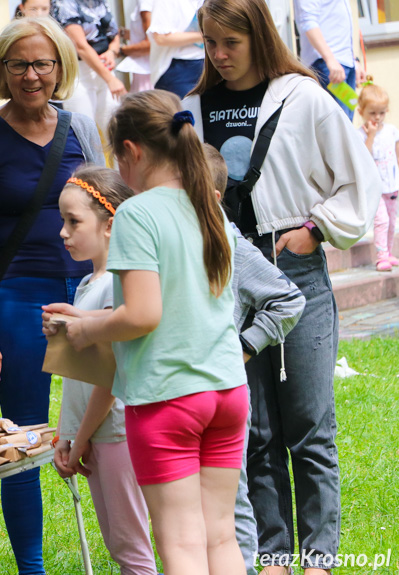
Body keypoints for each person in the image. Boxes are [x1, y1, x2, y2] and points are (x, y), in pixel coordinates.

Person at [183, 0, 380, 571]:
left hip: (292, 269)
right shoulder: (193, 110)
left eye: (230, 43)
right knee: (254, 429)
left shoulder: (306, 98)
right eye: (209, 43)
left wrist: (314, 231)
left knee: (309, 423)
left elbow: (358, 184)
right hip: (222, 282)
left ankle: (318, 558)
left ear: (259, 36)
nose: (218, 55)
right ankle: (272, 556)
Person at [43, 89, 248, 575]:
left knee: (179, 544)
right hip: (227, 392)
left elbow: (141, 315)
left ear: (131, 151)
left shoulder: (136, 213)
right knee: (220, 536)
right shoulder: (210, 208)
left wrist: (87, 329)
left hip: (167, 398)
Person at [0, 16, 104, 574]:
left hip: (89, 293)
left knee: (115, 423)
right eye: (18, 64)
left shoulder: (82, 129)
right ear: (2, 70)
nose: (31, 75)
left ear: (61, 66)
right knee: (21, 445)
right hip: (20, 299)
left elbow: (110, 212)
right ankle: (32, 567)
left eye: (42, 63)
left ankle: (134, 548)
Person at [204, 144, 306, 575]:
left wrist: (243, 346)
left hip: (223, 389)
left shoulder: (232, 246)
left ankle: (242, 565)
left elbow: (287, 299)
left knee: (230, 498)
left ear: (209, 194)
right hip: (181, 393)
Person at [51, 165, 157, 575]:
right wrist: (68, 433)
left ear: (110, 224)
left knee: (133, 551)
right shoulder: (85, 286)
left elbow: (112, 375)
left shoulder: (120, 284)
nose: (63, 232)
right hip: (95, 434)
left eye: (73, 221)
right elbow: (77, 374)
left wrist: (80, 441)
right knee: (119, 546)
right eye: (62, 220)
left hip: (115, 431)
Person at [54, 0, 127, 130]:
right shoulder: (64, 2)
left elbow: (114, 33)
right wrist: (110, 79)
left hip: (103, 68)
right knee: (84, 132)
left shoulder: (100, 1)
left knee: (115, 130)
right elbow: (80, 46)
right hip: (79, 72)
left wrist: (112, 52)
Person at [357, 81, 399, 272]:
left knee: (392, 220)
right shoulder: (360, 134)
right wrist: (371, 136)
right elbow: (364, 157)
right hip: (375, 188)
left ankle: (389, 252)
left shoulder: (391, 131)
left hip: (392, 185)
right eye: (372, 113)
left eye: (382, 112)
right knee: (381, 220)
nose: (378, 117)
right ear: (361, 112)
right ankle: (381, 256)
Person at [294, 0, 357, 120]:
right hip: (327, 66)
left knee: (347, 122)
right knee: (337, 124)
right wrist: (330, 60)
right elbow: (308, 22)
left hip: (344, 63)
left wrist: (354, 59)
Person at [147, 0, 204, 98]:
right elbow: (161, 37)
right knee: (182, 111)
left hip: (206, 63)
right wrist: (203, 36)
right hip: (177, 67)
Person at [115, 0, 154, 93]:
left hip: (146, 73)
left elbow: (150, 43)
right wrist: (120, 33)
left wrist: (120, 50)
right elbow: (141, 35)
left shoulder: (146, 3)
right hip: (144, 72)